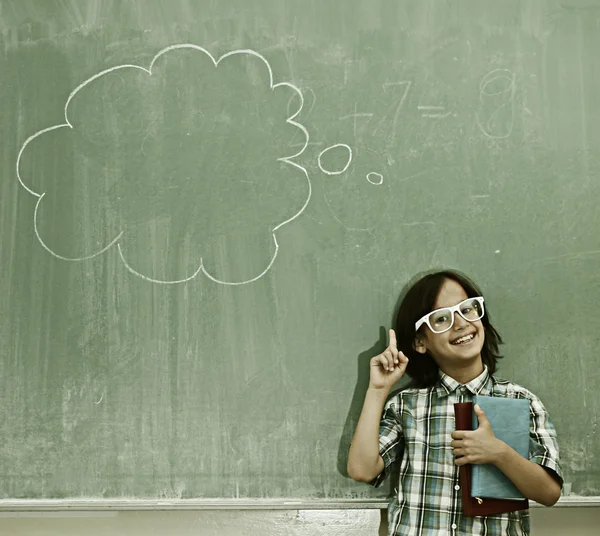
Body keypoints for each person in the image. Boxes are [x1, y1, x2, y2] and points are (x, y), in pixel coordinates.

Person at [347, 270, 562, 535]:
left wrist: (499, 453)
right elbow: (361, 469)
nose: (460, 323)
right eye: (441, 318)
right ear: (420, 342)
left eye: (468, 309)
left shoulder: (522, 401)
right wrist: (378, 390)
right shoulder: (407, 406)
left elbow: (550, 493)